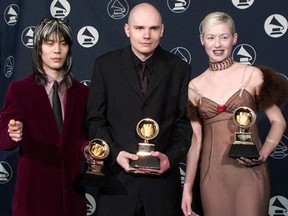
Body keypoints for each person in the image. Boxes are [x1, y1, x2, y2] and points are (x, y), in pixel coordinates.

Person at [86, 3, 192, 216]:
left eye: (153, 28)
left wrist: (169, 158)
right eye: (139, 28)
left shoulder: (179, 69)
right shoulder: (105, 66)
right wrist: (115, 154)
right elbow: (95, 121)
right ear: (127, 29)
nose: (146, 35)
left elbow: (184, 125)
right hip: (117, 185)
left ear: (162, 30)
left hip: (162, 188)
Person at [181, 11, 288, 216]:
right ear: (202, 40)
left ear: (235, 39)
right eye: (211, 37)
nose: (218, 44)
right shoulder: (194, 87)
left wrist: (263, 154)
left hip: (250, 172)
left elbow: (278, 122)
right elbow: (196, 142)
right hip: (212, 176)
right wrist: (187, 188)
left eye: (224, 37)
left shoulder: (251, 75)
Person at [0, 18, 89, 216]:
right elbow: (4, 137)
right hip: (34, 198)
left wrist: (87, 150)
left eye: (63, 43)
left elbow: (81, 139)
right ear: (39, 48)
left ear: (69, 49)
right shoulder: (20, 90)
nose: (57, 50)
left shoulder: (83, 93)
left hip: (72, 199)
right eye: (50, 43)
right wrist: (12, 133)